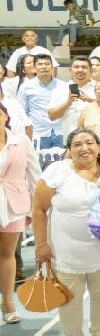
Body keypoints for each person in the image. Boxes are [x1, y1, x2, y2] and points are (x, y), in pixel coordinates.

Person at [33, 129, 100, 336]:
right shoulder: (57, 172)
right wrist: (41, 244)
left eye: (89, 142)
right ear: (69, 149)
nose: (84, 148)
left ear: (98, 146)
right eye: (77, 144)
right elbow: (38, 209)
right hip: (67, 252)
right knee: (69, 300)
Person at [0, 102, 40, 323]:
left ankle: (8, 303)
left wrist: (38, 206)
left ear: (5, 116)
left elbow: (34, 174)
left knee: (7, 254)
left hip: (14, 202)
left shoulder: (21, 140)